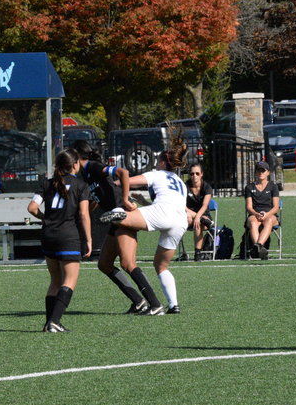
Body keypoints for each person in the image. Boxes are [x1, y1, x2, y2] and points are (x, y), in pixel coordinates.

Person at [100, 136, 188, 315]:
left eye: (157, 161)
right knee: (161, 266)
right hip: (180, 221)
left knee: (120, 213)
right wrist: (144, 202)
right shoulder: (180, 183)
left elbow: (126, 180)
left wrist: (112, 184)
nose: (156, 164)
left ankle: (119, 214)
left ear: (162, 162)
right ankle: (174, 305)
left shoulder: (156, 174)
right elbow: (168, 206)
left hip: (163, 213)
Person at [71, 140, 148, 314]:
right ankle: (138, 301)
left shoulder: (93, 166)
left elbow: (123, 172)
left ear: (76, 156)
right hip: (114, 220)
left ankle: (154, 303)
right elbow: (97, 197)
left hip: (122, 215)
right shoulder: (85, 174)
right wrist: (83, 213)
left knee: (128, 264)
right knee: (104, 264)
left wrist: (125, 199)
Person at [28, 148, 91, 332]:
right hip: (67, 236)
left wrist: (45, 218)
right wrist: (88, 239)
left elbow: (32, 208)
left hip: (48, 235)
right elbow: (84, 214)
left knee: (55, 281)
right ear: (75, 164)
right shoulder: (81, 185)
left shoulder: (47, 183)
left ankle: (49, 323)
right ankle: (54, 322)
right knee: (69, 280)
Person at [244, 161, 280, 260]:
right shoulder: (249, 187)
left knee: (269, 220)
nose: (261, 173)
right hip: (254, 214)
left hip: (270, 214)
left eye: (263, 171)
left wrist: (267, 214)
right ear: (255, 172)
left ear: (268, 172)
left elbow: (276, 207)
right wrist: (256, 214)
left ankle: (258, 246)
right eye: (259, 171)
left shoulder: (273, 186)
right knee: (253, 222)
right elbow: (249, 207)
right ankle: (260, 249)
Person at [185, 163, 214, 261]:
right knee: (193, 219)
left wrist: (198, 217)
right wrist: (198, 217)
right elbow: (181, 205)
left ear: (202, 174)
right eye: (192, 174)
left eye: (197, 173)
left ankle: (197, 253)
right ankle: (198, 253)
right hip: (189, 216)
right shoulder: (185, 186)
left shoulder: (207, 187)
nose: (194, 176)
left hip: (204, 215)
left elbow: (205, 205)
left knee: (198, 224)